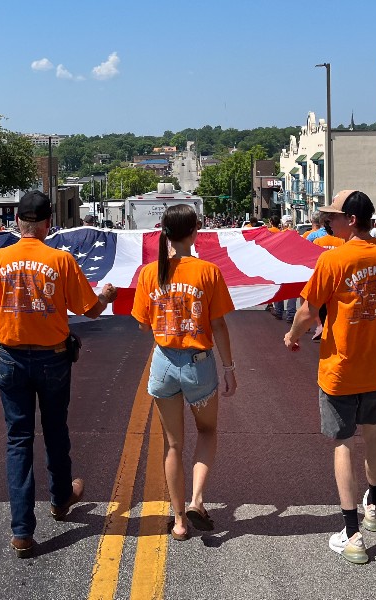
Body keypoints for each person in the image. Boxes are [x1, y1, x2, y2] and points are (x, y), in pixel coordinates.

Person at [0, 190, 118, 558]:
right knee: (55, 429)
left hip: (11, 358)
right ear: (48, 224)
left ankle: (21, 531)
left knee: (19, 439)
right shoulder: (61, 261)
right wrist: (106, 296)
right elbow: (91, 310)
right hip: (53, 358)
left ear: (17, 222)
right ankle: (60, 499)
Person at [284, 190, 376, 564]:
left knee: (343, 444)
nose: (327, 221)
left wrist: (292, 336)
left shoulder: (333, 259)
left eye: (332, 216)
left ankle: (352, 533)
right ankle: (375, 505)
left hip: (340, 367)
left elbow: (308, 310)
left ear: (351, 220)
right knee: (373, 435)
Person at [131, 204, 236, 541]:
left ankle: (178, 521)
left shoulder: (149, 273)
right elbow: (219, 324)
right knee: (207, 431)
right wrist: (229, 368)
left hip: (163, 363)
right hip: (198, 364)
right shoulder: (208, 272)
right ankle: (197, 500)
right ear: (194, 233)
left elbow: (142, 324)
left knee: (172, 444)